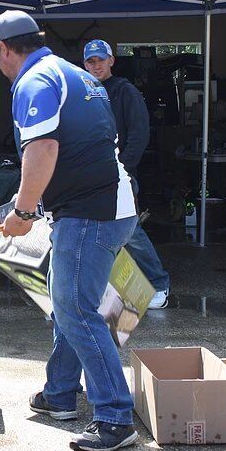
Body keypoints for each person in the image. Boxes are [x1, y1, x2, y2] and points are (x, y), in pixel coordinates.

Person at [0, 11, 138, 451]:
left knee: (75, 308)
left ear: (3, 49)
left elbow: (44, 147)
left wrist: (23, 212)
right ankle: (59, 393)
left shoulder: (34, 81)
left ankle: (114, 416)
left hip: (92, 211)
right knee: (69, 301)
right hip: (103, 205)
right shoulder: (73, 73)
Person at [83, 39, 170, 309]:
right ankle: (100, 293)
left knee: (129, 231)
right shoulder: (83, 91)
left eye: (100, 60)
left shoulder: (125, 90)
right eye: (90, 61)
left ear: (111, 60)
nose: (96, 65)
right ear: (84, 64)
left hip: (119, 175)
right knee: (93, 232)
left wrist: (124, 166)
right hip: (89, 176)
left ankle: (159, 285)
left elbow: (139, 133)